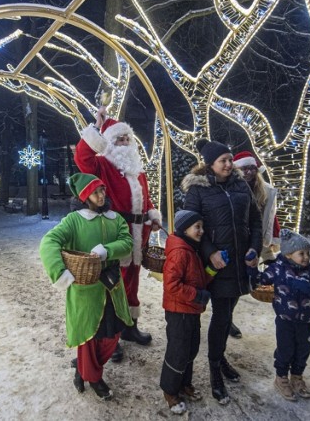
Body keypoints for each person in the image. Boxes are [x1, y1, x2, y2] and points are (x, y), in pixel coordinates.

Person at [75, 106, 162, 362]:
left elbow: (147, 199)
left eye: (127, 139)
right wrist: (96, 128)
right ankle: (109, 337)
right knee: (113, 287)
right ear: (109, 144)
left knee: (132, 284)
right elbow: (83, 158)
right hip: (115, 236)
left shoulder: (138, 171)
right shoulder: (101, 166)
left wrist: (153, 214)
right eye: (119, 139)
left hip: (139, 237)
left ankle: (129, 328)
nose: (124, 143)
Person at [39, 173, 134, 401]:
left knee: (112, 334)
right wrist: (60, 272)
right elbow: (48, 242)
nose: (101, 196)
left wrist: (106, 250)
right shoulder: (73, 221)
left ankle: (82, 369)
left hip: (112, 287)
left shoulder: (116, 218)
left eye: (102, 191)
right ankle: (93, 377)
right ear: (85, 196)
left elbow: (127, 243)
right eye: (95, 192)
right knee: (89, 339)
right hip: (85, 291)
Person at [182, 138, 262, 405]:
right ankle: (215, 368)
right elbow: (191, 227)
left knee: (228, 313)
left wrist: (255, 248)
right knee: (222, 315)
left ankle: (220, 358)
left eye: (230, 159)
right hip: (218, 265)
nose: (229, 164)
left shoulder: (241, 185)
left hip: (242, 263)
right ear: (210, 164)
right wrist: (210, 252)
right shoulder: (198, 190)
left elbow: (255, 220)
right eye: (223, 161)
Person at [252, 228, 310, 401]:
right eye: (301, 253)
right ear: (288, 255)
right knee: (285, 350)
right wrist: (251, 268)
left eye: (308, 253)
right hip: (285, 321)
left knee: (302, 351)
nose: (306, 257)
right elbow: (260, 280)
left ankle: (297, 377)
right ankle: (281, 378)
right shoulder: (278, 269)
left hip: (307, 321)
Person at [160, 210, 213, 415]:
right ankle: (170, 390)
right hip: (178, 310)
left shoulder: (192, 249)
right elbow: (171, 285)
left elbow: (197, 279)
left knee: (191, 349)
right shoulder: (180, 252)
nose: (201, 231)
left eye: (202, 226)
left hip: (191, 310)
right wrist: (197, 295)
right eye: (197, 227)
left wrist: (212, 271)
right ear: (184, 229)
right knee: (178, 351)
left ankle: (184, 383)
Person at [229, 151, 281, 339]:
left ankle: (227, 318)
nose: (249, 172)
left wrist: (268, 250)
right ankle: (225, 319)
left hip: (253, 242)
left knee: (242, 283)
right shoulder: (230, 187)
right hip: (234, 241)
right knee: (230, 284)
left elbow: (269, 221)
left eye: (252, 167)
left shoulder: (265, 191)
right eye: (245, 168)